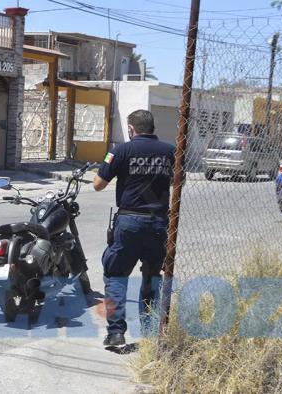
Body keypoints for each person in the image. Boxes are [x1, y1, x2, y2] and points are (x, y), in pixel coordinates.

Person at [92, 109, 174, 346]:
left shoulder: (120, 151)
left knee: (116, 275)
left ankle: (116, 332)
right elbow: (181, 180)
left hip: (129, 222)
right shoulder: (170, 151)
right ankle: (148, 331)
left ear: (131, 129)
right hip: (158, 223)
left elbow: (98, 185)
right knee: (151, 276)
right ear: (152, 127)